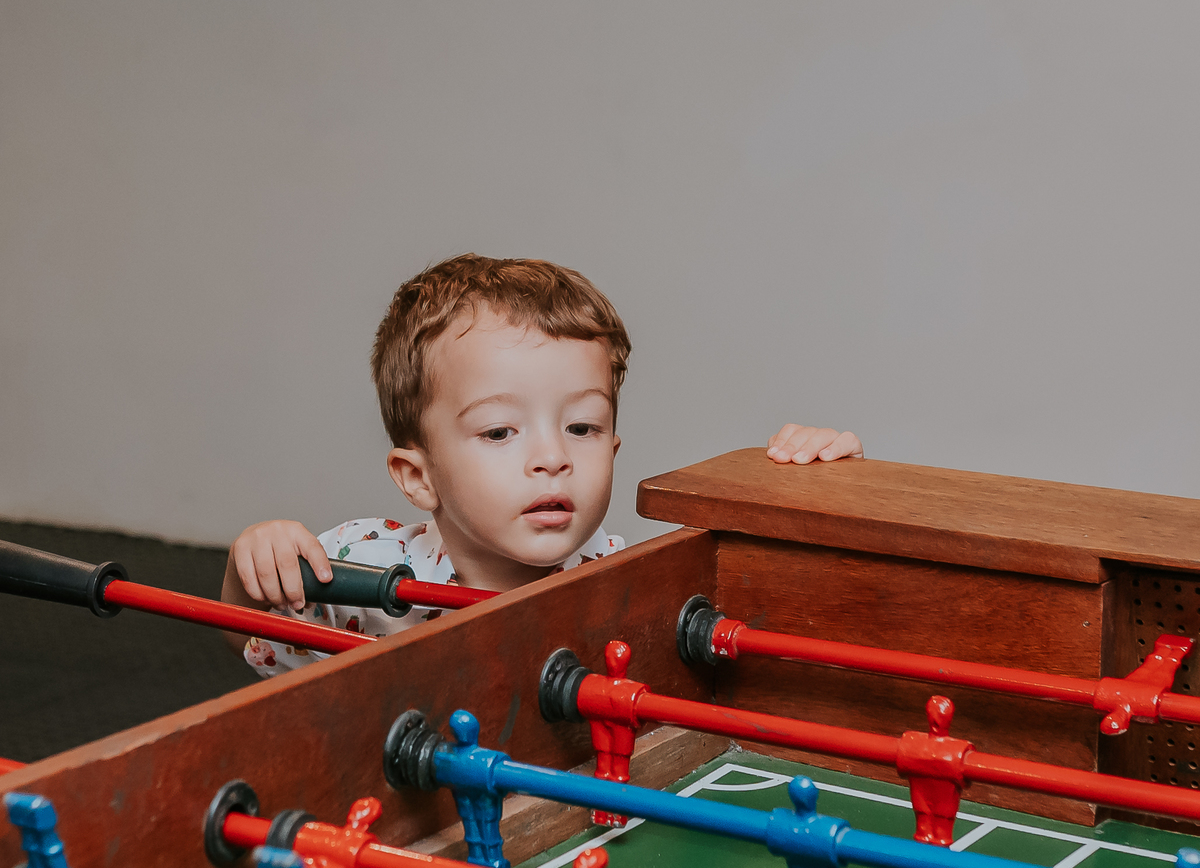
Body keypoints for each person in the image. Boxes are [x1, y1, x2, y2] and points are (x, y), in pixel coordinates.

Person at [223, 254, 862, 676]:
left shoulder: (627, 577)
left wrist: (825, 496)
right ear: (419, 477)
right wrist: (254, 568)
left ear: (614, 448)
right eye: (500, 431)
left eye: (582, 427)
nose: (553, 457)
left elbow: (774, 638)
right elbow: (258, 640)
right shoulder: (363, 566)